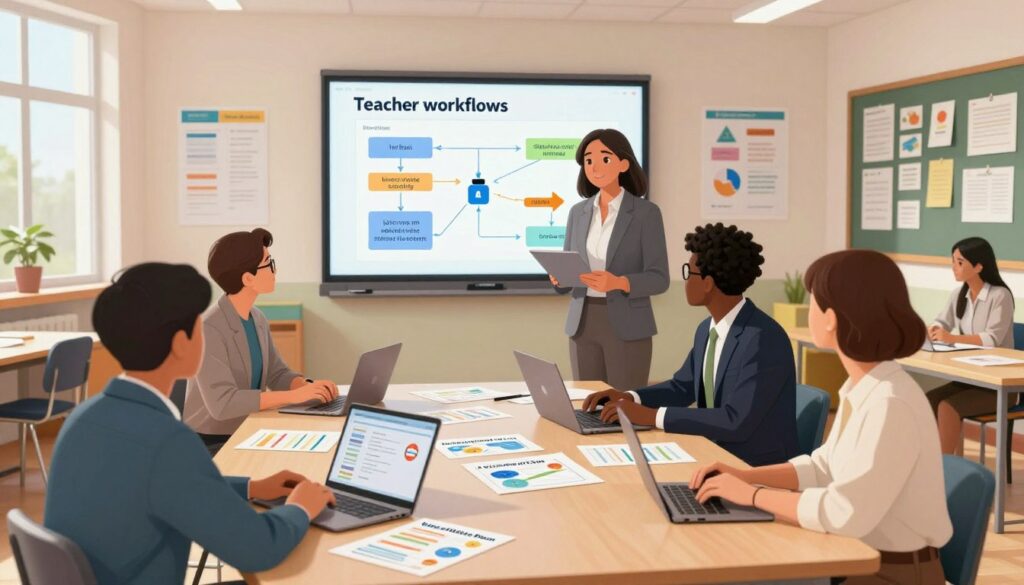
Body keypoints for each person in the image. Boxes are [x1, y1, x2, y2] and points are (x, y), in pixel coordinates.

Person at [45, 263, 336, 585]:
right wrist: (300, 508)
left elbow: (157, 486)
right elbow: (258, 548)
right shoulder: (167, 441)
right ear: (181, 343)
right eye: (198, 325)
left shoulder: (83, 419)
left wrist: (253, 487)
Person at [690, 250, 952, 585]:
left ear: (831, 317)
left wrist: (752, 496)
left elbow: (843, 513)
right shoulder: (863, 386)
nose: (808, 311)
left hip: (888, 573)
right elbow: (821, 468)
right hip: (853, 556)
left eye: (813, 302)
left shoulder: (891, 404)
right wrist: (744, 475)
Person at [582, 223, 799, 466]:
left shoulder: (762, 338)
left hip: (753, 467)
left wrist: (653, 416)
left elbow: (735, 421)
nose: (685, 281)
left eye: (689, 272)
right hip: (712, 451)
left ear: (708, 283)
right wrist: (631, 397)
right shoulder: (707, 330)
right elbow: (682, 387)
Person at [184, 228, 337, 452]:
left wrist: (309, 389)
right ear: (248, 278)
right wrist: (294, 397)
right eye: (269, 263)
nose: (275, 270)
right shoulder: (208, 328)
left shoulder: (257, 318)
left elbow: (277, 373)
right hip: (211, 443)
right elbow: (223, 404)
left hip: (248, 428)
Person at [550, 128, 669, 391]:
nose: (595, 167)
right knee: (588, 403)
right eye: (589, 160)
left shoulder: (646, 214)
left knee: (623, 406)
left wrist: (618, 282)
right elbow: (567, 276)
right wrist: (560, 278)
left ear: (623, 164)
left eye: (604, 159)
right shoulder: (577, 212)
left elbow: (659, 279)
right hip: (583, 322)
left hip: (627, 323)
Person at [926, 237, 1016, 454]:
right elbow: (942, 321)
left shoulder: (1000, 296)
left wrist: (951, 338)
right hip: (970, 378)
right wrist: (934, 329)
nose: (954, 268)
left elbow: (991, 339)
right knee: (928, 400)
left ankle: (943, 471)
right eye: (953, 261)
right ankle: (929, 462)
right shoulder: (958, 294)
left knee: (947, 407)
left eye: (959, 262)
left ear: (978, 266)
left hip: (999, 386)